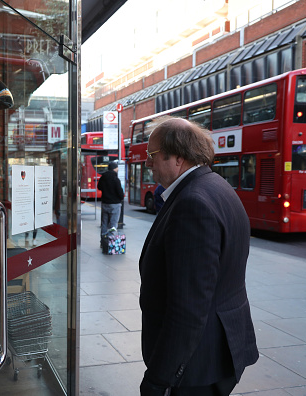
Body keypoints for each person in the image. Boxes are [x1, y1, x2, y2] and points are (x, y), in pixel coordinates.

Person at [139, 117, 258, 396]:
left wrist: (158, 379)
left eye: (152, 155)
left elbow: (188, 309)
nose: (147, 163)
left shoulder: (192, 204)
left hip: (196, 367)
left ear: (178, 158)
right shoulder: (217, 187)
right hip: (215, 352)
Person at [97, 161, 125, 237]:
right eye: (117, 168)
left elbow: (99, 187)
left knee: (104, 224)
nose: (118, 169)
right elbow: (120, 192)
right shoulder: (115, 179)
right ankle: (111, 243)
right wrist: (121, 197)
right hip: (115, 204)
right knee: (113, 224)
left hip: (105, 203)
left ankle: (103, 242)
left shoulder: (103, 177)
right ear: (114, 169)